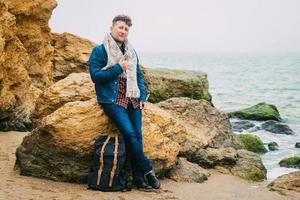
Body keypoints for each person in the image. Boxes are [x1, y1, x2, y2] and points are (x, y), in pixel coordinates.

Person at [87, 14, 160, 190]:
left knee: (138, 136)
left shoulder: (131, 52)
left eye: (126, 29)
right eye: (120, 27)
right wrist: (119, 68)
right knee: (130, 134)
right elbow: (96, 76)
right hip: (112, 99)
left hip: (132, 98)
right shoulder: (100, 50)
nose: (123, 31)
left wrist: (142, 97)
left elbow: (139, 76)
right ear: (111, 28)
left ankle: (137, 178)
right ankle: (148, 170)